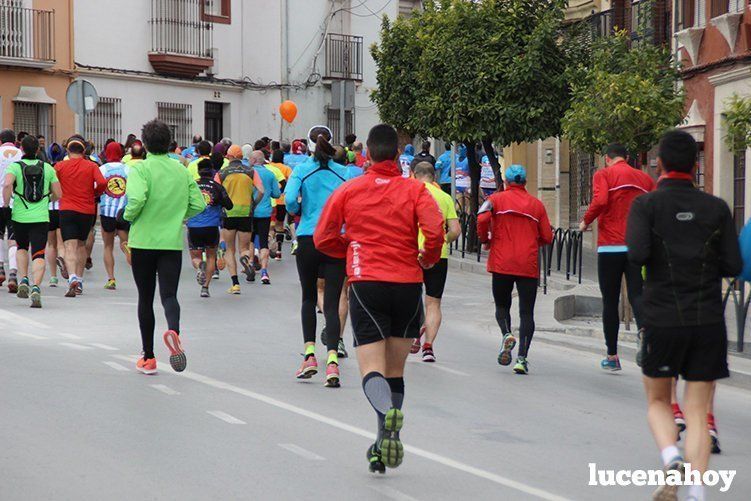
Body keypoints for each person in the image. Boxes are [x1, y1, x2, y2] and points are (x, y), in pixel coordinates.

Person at [315, 123, 444, 472]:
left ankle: (387, 417)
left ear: (367, 154)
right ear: (399, 154)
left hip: (367, 281)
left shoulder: (350, 189)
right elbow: (435, 231)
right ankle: (380, 445)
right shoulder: (416, 191)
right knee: (395, 371)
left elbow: (323, 235)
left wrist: (347, 248)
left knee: (371, 369)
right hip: (407, 283)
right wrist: (428, 257)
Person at [626, 129, 741, 501]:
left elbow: (638, 255)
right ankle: (696, 491)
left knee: (659, 401)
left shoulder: (645, 206)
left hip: (662, 318)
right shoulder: (718, 208)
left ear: (659, 162)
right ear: (696, 165)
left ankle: (671, 457)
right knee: (697, 411)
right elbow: (734, 263)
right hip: (707, 319)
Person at [123, 120, 206, 375]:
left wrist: (128, 216)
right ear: (170, 143)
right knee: (169, 295)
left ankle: (148, 357)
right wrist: (179, 215)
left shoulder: (140, 169)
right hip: (170, 242)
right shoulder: (181, 169)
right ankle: (174, 331)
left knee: (145, 298)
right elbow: (199, 204)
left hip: (143, 241)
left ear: (144, 143)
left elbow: (136, 200)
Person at [579, 143, 655, 371]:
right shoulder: (644, 179)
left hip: (610, 246)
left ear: (606, 158)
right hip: (636, 246)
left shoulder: (603, 174)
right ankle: (644, 331)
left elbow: (601, 201)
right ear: (628, 157)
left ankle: (612, 356)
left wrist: (586, 221)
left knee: (610, 301)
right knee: (636, 292)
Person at [284, 126, 349, 387]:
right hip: (336, 239)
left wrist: (300, 208)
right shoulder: (344, 172)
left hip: (309, 237)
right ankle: (332, 361)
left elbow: (289, 201)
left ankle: (309, 356)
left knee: (309, 297)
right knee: (332, 303)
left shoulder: (301, 169)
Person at [477, 165, 552, 374]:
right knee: (527, 312)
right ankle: (521, 358)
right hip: (527, 263)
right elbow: (547, 236)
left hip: (501, 261)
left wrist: (485, 239)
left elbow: (481, 218)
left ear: (507, 182)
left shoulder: (495, 200)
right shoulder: (537, 205)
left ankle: (506, 334)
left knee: (502, 305)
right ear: (525, 182)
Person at [1, 135, 61, 308]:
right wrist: (47, 199)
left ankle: (24, 280)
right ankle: (36, 287)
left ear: (22, 150)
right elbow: (59, 193)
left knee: (21, 248)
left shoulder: (15, 166)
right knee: (39, 253)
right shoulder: (48, 168)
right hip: (41, 217)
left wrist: (7, 203)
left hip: (19, 215)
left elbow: (7, 185)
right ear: (38, 150)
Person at [412, 162, 461, 362]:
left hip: (412, 253)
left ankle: (415, 334)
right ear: (434, 177)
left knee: (413, 299)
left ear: (414, 175)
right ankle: (428, 347)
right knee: (433, 302)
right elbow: (456, 230)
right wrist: (443, 240)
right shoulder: (445, 197)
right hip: (438, 255)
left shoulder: (410, 193)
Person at [54, 137, 107, 297]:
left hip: (67, 209)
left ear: (68, 151)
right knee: (81, 246)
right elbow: (103, 183)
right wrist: (94, 193)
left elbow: (52, 183)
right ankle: (80, 281)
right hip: (86, 210)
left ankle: (71, 278)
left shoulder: (60, 166)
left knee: (69, 245)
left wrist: (58, 194)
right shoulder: (91, 166)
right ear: (84, 151)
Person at [218, 145, 264, 293]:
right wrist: (254, 204)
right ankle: (246, 259)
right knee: (244, 248)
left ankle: (235, 284)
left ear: (229, 157)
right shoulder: (251, 171)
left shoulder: (222, 173)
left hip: (229, 213)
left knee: (230, 250)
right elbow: (261, 190)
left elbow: (216, 192)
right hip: (246, 212)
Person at [188, 158, 233, 297]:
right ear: (212, 171)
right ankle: (205, 288)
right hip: (212, 226)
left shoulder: (192, 186)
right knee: (211, 256)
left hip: (194, 225)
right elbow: (229, 205)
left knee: (195, 256)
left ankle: (199, 265)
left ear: (198, 171)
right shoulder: (217, 186)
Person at [99, 141, 131, 289]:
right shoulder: (128, 169)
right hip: (123, 212)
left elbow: (97, 188)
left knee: (108, 247)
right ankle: (132, 260)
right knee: (126, 244)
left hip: (107, 212)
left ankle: (111, 279)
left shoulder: (102, 169)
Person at [247, 150, 280, 285]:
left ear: (254, 160)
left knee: (249, 240)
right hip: (265, 212)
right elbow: (277, 194)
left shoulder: (247, 173)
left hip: (249, 212)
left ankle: (250, 267)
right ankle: (264, 272)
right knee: (263, 242)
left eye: (250, 159)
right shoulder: (270, 174)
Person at [0, 128, 22, 292]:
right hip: (17, 202)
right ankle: (13, 273)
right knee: (14, 238)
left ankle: (0, 268)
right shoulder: (21, 154)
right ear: (15, 141)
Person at [45, 142, 66, 288]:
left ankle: (53, 277)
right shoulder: (64, 168)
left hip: (49, 208)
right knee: (62, 243)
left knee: (51, 244)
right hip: (63, 208)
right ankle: (62, 258)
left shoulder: (47, 169)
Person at [266, 149, 292, 261]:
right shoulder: (286, 169)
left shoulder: (268, 167)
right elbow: (289, 183)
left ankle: (269, 242)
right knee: (280, 225)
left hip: (270, 201)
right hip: (281, 201)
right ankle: (279, 251)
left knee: (269, 226)